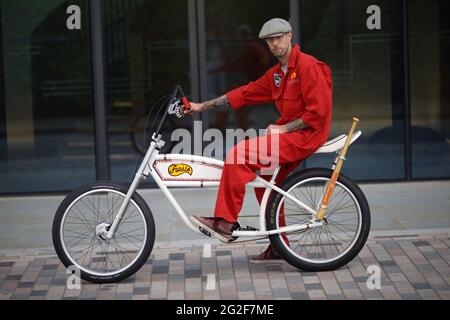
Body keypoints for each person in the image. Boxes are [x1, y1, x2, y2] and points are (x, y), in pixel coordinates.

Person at [184, 18, 333, 262]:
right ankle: (279, 246)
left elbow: (319, 113)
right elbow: (243, 93)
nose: (275, 44)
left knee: (239, 154)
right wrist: (202, 106)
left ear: (289, 36)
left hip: (306, 135)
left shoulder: (308, 66)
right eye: (270, 40)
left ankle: (224, 222)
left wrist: (283, 129)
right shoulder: (277, 74)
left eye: (278, 38)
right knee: (266, 183)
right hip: (292, 135)